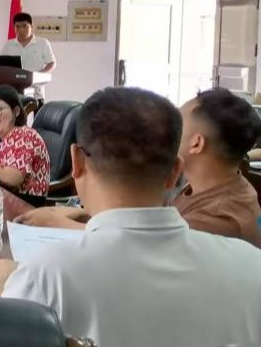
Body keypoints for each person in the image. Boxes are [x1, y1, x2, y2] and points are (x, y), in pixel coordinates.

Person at [0, 87, 261, 347]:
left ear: (76, 161)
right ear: (175, 172)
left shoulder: (46, 274)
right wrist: (80, 214)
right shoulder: (252, 265)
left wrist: (3, 279)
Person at [20, 88, 261, 245]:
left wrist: (60, 225)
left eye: (178, 120)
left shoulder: (223, 218)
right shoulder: (204, 186)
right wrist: (78, 214)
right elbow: (145, 222)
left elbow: (144, 244)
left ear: (196, 143)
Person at [0, 12, 56, 101]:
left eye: (24, 26)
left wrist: (40, 74)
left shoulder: (42, 43)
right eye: (18, 26)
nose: (21, 30)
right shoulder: (8, 45)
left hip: (36, 93)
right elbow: (0, 65)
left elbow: (52, 63)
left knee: (37, 110)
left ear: (31, 27)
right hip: (14, 93)